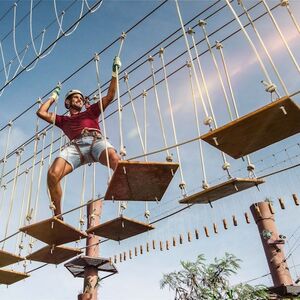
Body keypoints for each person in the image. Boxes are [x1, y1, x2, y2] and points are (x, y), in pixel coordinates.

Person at [37, 56, 121, 218]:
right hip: (75, 148)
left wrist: (114, 73)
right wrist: (54, 96)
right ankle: (58, 215)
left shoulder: (91, 112)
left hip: (95, 141)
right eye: (76, 97)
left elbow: (110, 96)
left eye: (81, 98)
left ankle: (122, 183)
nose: (80, 100)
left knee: (115, 159)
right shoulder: (63, 120)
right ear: (67, 103)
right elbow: (41, 112)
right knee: (53, 175)